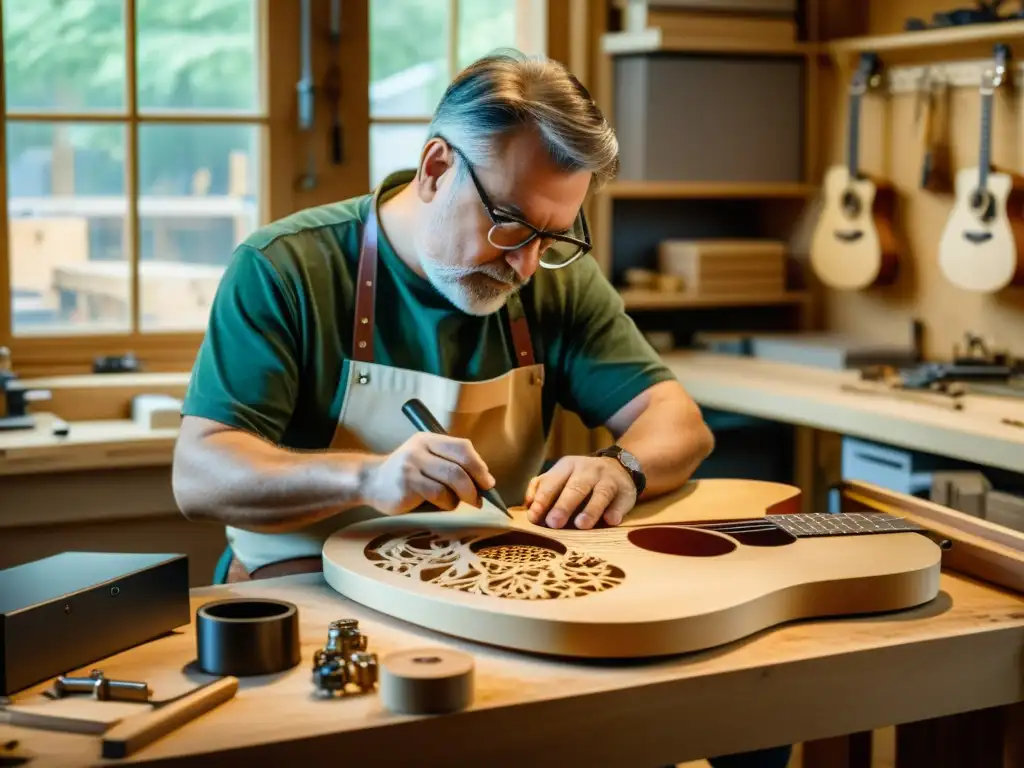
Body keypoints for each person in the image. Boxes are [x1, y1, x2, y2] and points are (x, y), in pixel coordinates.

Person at [171, 50, 789, 766]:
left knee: (738, 718)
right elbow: (200, 472)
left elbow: (677, 420)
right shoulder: (287, 268)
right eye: (511, 225)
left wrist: (621, 467)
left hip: (494, 597)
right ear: (436, 168)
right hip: (309, 592)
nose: (524, 266)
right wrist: (366, 481)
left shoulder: (552, 281)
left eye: (553, 238)